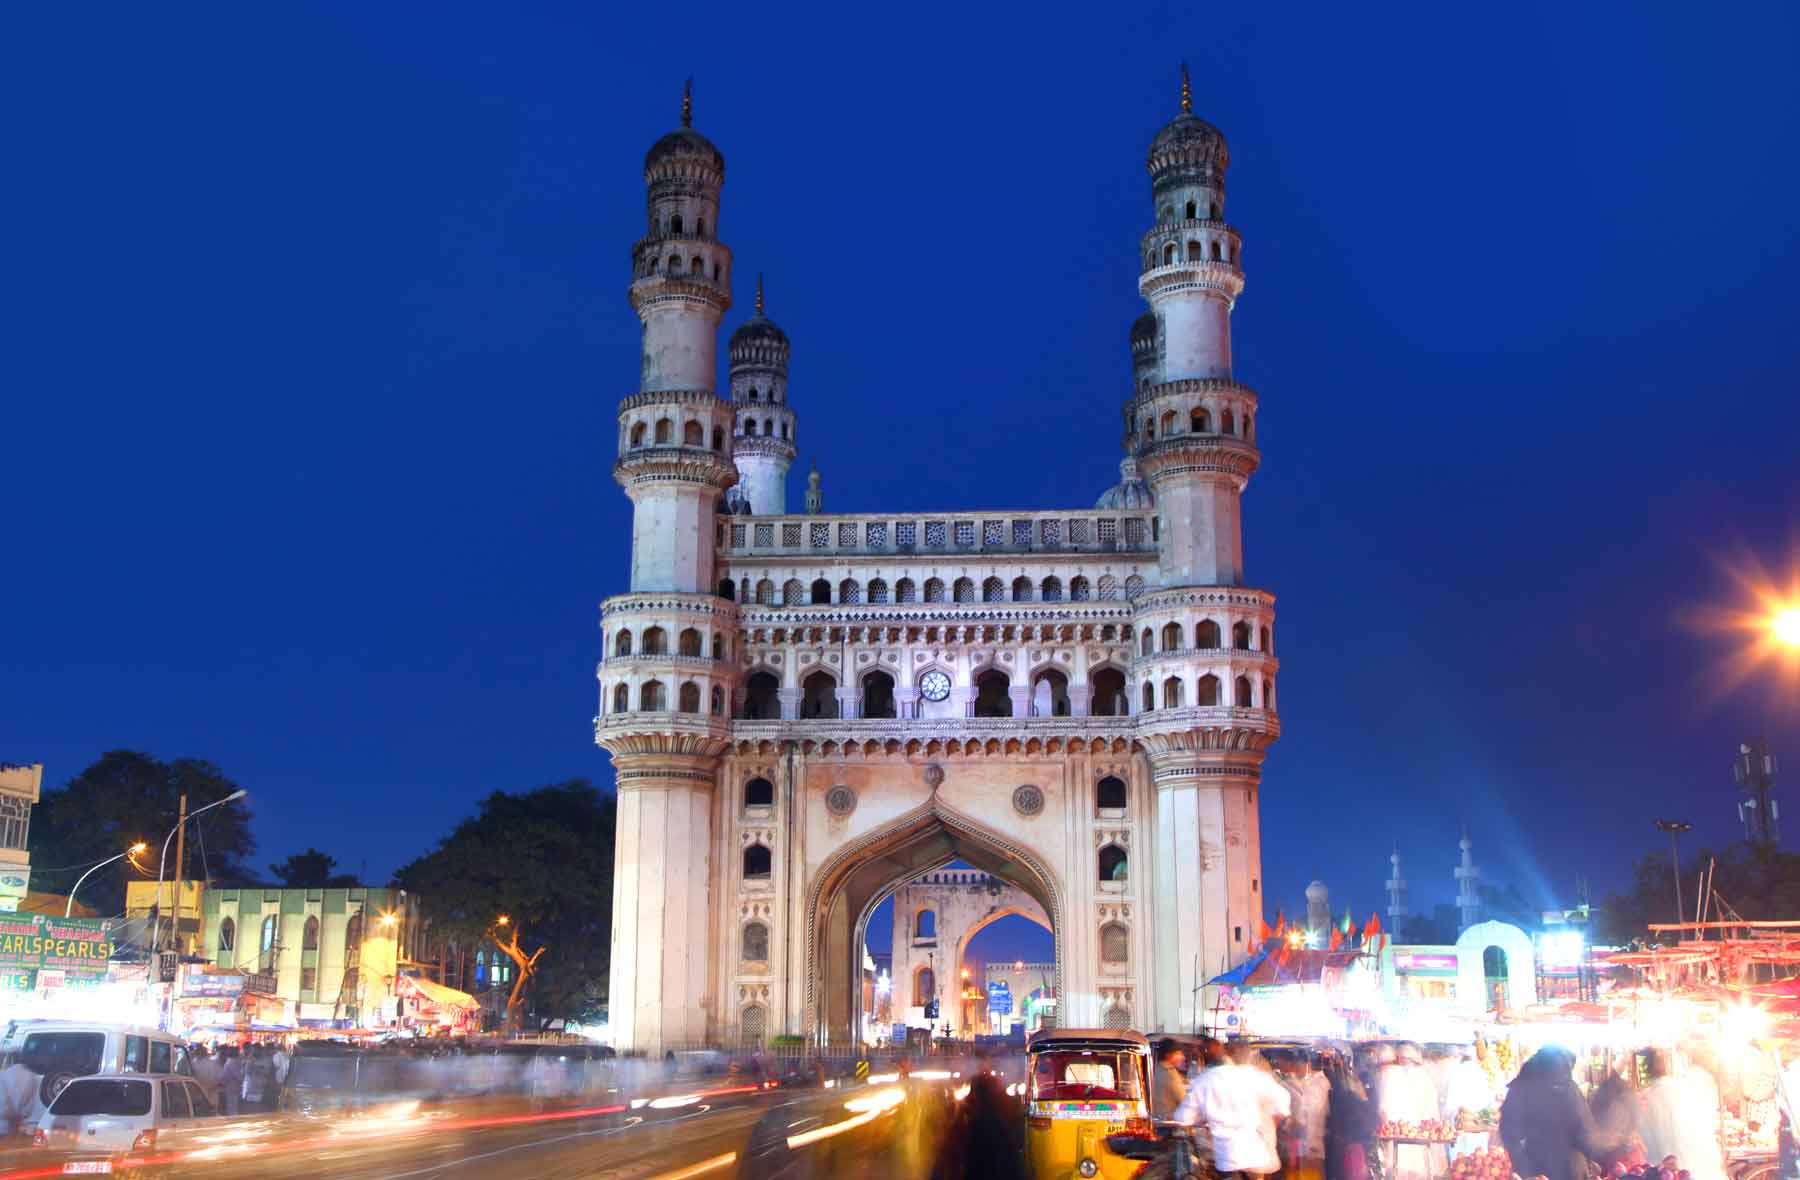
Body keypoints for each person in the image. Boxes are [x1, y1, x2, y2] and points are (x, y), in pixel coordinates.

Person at [1174, 1040, 1293, 1178]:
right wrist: (1272, 1123)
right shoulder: (1249, 1075)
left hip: (1228, 1158)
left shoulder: (1203, 1081)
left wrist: (1204, 1118)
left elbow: (1183, 1118)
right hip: (1255, 1154)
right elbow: (1283, 1099)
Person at [1498, 1046, 1613, 1180]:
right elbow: (1587, 1136)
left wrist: (1523, 1168)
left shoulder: (1520, 1086)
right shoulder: (1568, 1088)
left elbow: (1509, 1133)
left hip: (1533, 1169)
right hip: (1570, 1169)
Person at [1640, 1049, 1726, 1180]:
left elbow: (1647, 1139)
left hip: (1667, 1167)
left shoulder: (1648, 1097)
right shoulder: (1682, 1091)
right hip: (1692, 1165)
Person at [1379, 1043, 1444, 1180]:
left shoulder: (1388, 1075)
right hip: (1419, 1137)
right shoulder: (1424, 1077)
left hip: (1396, 1136)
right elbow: (1432, 1110)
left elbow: (1383, 1108)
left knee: (1396, 1168)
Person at [1277, 1052, 1329, 1180]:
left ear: (1308, 1065)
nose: (1298, 1069)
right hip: (1301, 1145)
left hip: (1310, 1145)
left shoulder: (1319, 1084)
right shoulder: (1291, 1084)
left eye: (1301, 1065)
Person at [0, 1052, 40, 1137]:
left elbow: (4, 1106)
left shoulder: (4, 1075)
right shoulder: (34, 1077)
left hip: (3, 1127)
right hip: (24, 1127)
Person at [1155, 1041, 1191, 1121]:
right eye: (1178, 1053)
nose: (1182, 1057)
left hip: (1156, 1119)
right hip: (1169, 1124)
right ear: (1168, 1055)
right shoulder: (1171, 1074)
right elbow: (1184, 1100)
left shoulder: (1155, 1070)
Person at [219, 1047, 244, 1116]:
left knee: (233, 1107)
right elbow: (238, 1076)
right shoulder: (231, 1061)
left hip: (233, 1087)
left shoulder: (233, 1061)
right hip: (231, 1087)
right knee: (232, 1107)